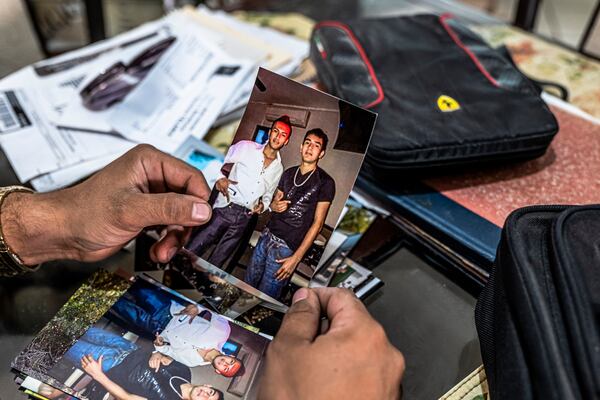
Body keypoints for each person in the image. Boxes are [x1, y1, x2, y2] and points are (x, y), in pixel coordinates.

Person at [0, 144, 405, 399]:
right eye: (228, 371)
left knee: (103, 321)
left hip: (149, 324)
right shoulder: (224, 334)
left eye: (224, 375)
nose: (222, 375)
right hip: (172, 291)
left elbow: (157, 349)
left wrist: (159, 343)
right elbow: (202, 307)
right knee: (192, 252)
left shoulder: (183, 366)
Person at [186, 116, 292, 268]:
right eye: (276, 131)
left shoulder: (278, 168)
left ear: (286, 141)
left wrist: (263, 206)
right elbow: (213, 158)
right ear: (270, 133)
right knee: (194, 248)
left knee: (217, 262)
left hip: (245, 218)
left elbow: (268, 194)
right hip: (226, 208)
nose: (278, 136)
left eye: (283, 135)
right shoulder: (246, 147)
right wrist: (219, 177)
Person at [244, 128, 335, 299]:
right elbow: (274, 201)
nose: (310, 148)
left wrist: (296, 259)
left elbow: (318, 224)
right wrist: (274, 204)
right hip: (266, 236)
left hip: (286, 248)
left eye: (316, 146)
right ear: (301, 147)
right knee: (247, 284)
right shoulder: (288, 173)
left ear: (321, 153)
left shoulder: (326, 182)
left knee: (264, 298)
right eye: (307, 143)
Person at [110, 282, 243, 376]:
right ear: (231, 356)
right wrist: (198, 307)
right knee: (134, 285)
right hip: (168, 310)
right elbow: (217, 308)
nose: (225, 363)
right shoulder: (222, 333)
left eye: (225, 368)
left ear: (218, 371)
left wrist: (159, 346)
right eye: (231, 361)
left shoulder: (191, 362)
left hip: (153, 327)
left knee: (118, 303)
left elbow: (168, 351)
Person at [63, 327, 223, 400]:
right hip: (127, 347)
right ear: (208, 386)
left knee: (63, 343)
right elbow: (162, 354)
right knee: (79, 327)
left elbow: (126, 397)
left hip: (108, 364)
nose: (204, 395)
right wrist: (157, 353)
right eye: (210, 393)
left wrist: (97, 375)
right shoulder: (186, 372)